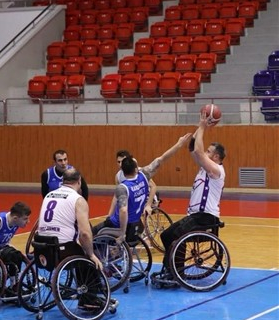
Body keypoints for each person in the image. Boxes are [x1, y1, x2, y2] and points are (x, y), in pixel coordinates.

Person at [157, 114, 226, 276]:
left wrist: (202, 127)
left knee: (176, 236)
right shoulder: (205, 167)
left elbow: (198, 151)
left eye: (209, 151)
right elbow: (192, 147)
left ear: (216, 157)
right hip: (195, 216)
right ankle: (171, 267)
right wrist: (201, 126)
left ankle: (177, 273)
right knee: (166, 235)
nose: (204, 152)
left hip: (206, 217)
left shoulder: (217, 170)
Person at [93, 134, 192, 243]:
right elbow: (161, 159)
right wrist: (178, 145)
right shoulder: (143, 175)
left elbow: (123, 210)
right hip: (135, 221)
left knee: (92, 232)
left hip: (120, 224)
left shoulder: (122, 187)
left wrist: (122, 233)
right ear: (136, 169)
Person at [38, 168, 100, 266]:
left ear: (63, 181)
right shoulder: (78, 200)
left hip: (40, 245)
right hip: (61, 248)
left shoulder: (48, 195)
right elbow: (84, 234)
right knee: (87, 256)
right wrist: (91, 254)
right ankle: (91, 280)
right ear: (79, 181)